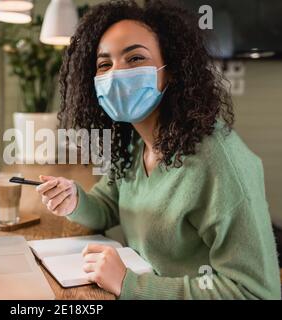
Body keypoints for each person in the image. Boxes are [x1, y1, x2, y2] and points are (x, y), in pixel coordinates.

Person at [36, 0, 281, 299]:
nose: (116, 74)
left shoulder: (220, 161)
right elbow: (110, 205)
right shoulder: (134, 141)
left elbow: (254, 292)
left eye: (135, 58)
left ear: (172, 69)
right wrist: (74, 200)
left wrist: (130, 284)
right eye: (104, 64)